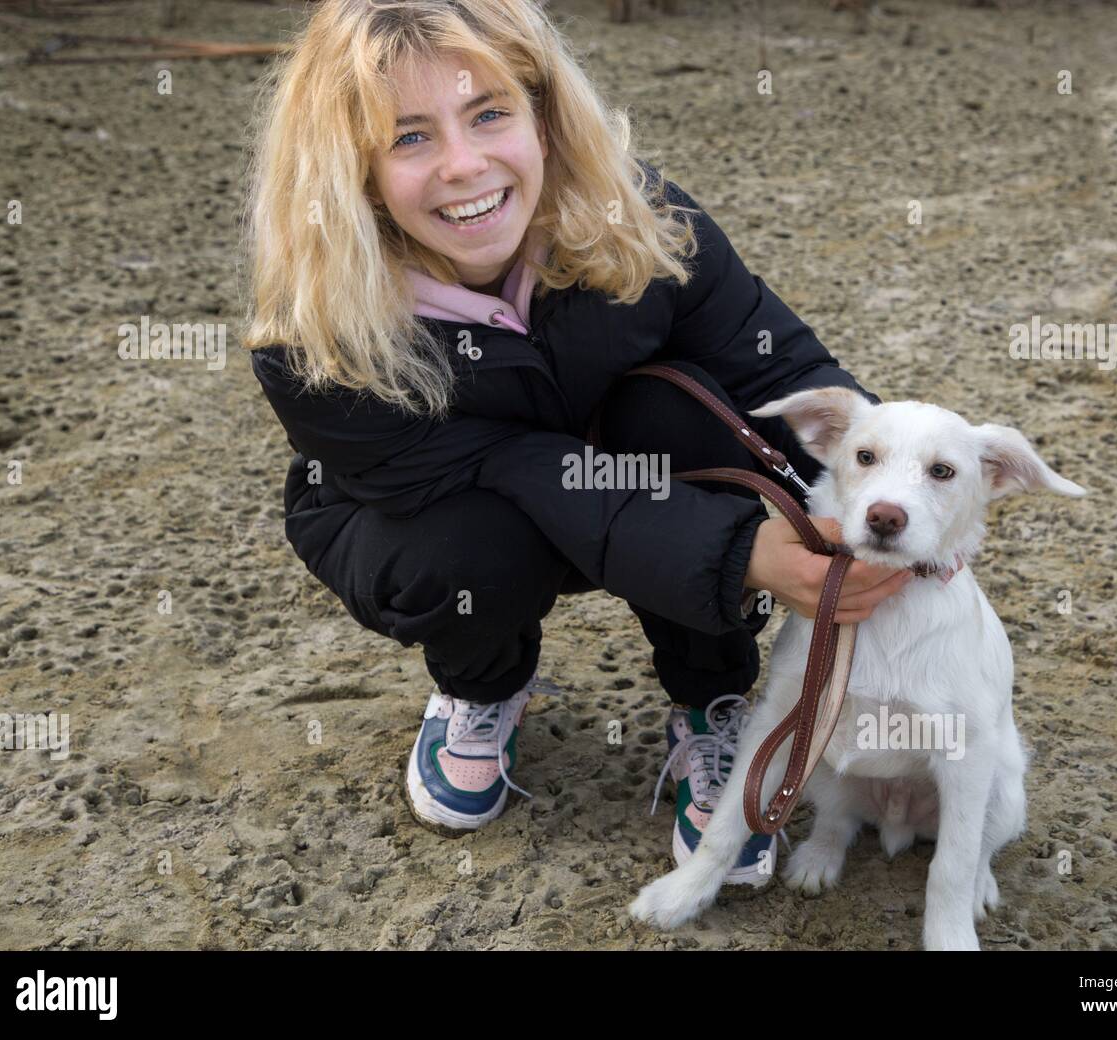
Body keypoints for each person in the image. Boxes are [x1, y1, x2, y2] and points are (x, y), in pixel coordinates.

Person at [243, 0, 910, 884]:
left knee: (692, 412)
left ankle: (710, 696)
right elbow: (519, 466)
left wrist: (889, 491)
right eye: (408, 138)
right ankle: (482, 686)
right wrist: (740, 551)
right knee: (461, 552)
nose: (464, 164)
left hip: (630, 464)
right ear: (351, 172)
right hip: (456, 514)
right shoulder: (311, 332)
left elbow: (770, 361)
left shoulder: (640, 214)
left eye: (489, 113)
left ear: (545, 118)